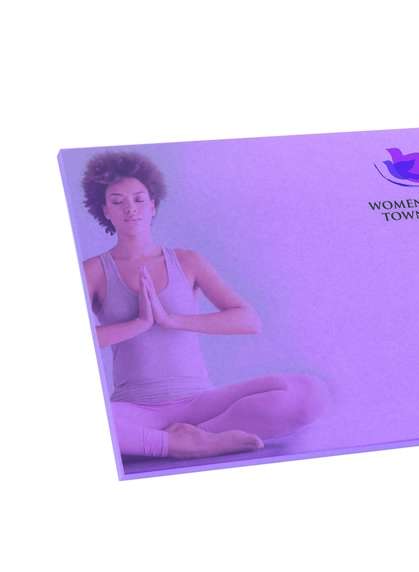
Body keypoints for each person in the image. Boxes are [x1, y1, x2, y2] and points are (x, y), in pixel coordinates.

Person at [81, 150, 329, 460]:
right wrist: (139, 324)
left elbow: (248, 320)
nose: (130, 208)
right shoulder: (93, 271)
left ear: (153, 205)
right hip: (135, 409)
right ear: (105, 210)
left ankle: (196, 436)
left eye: (139, 199)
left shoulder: (187, 261)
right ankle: (175, 443)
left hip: (200, 404)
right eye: (117, 201)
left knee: (309, 392)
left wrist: (171, 320)